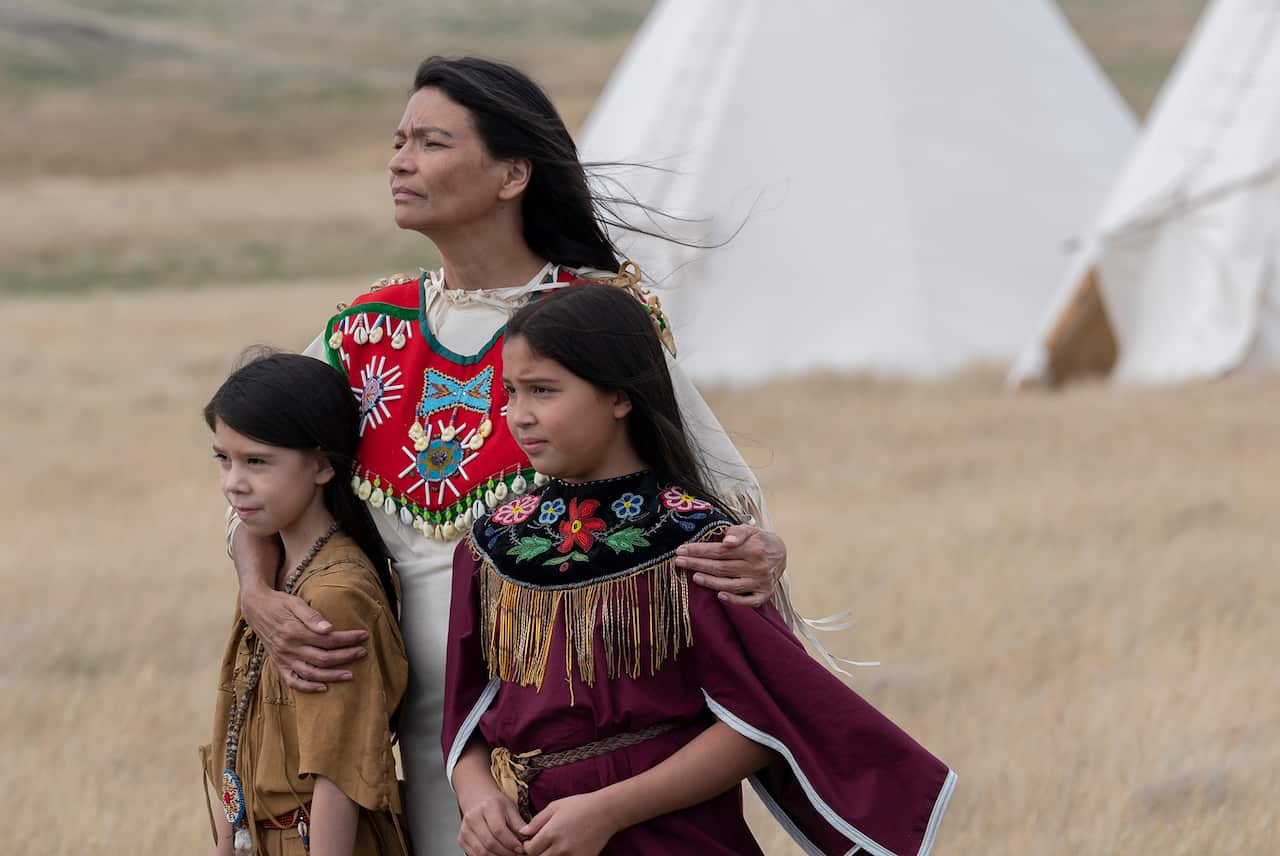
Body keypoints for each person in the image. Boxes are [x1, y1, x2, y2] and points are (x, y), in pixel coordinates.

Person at [227, 56, 801, 852]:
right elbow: (257, 479)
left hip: (562, 745)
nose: (399, 160)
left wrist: (760, 554)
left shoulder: (595, 320)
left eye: (430, 142)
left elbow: (726, 508)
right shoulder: (364, 332)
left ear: (512, 174)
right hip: (397, 733)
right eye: (398, 141)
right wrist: (258, 590)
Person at [443, 285, 955, 856]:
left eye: (543, 391)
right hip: (533, 839)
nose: (519, 415)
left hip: (672, 838)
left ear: (619, 395)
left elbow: (761, 720)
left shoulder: (698, 544)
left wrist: (606, 811)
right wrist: (479, 795)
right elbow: (469, 712)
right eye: (510, 392)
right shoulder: (492, 545)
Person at [200, 353, 410, 856]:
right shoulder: (269, 583)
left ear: (321, 465)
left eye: (257, 461)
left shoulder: (335, 595)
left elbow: (340, 774)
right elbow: (235, 736)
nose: (233, 481)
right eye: (223, 459)